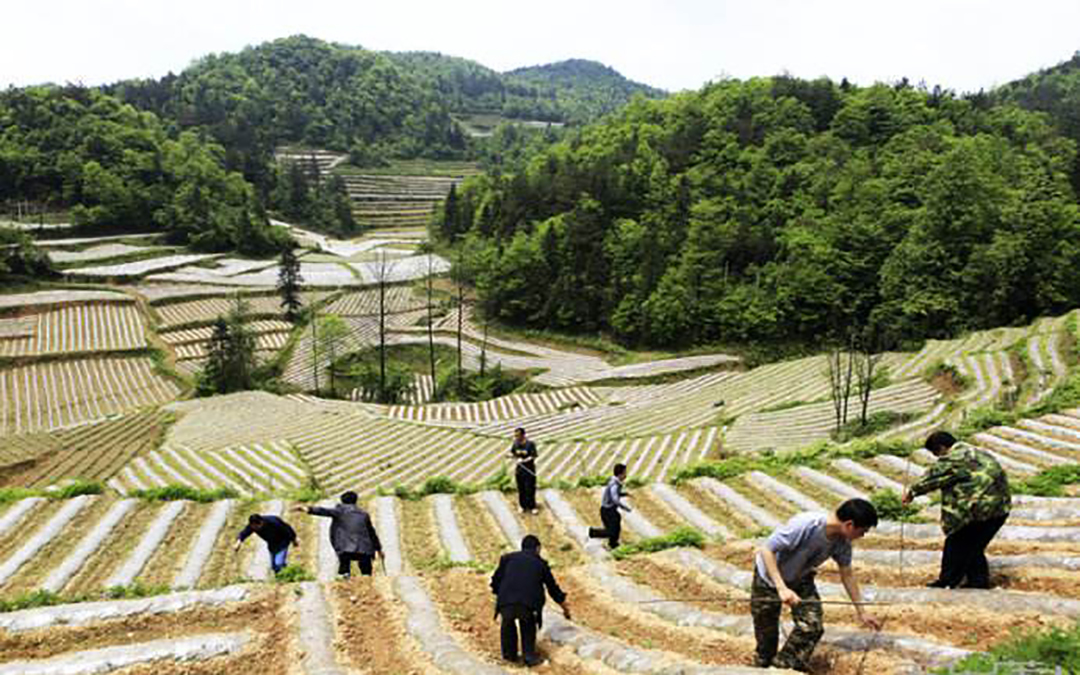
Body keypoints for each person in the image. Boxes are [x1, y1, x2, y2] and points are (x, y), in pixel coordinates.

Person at [751, 498, 882, 672]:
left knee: (812, 627)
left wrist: (862, 611)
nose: (862, 536)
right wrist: (781, 588)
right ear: (849, 525)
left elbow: (847, 573)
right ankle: (761, 666)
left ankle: (782, 668)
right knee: (766, 638)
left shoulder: (842, 542)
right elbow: (767, 550)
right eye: (862, 531)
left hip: (801, 579)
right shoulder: (806, 524)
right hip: (768, 578)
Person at [902, 430, 1011, 589]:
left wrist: (911, 493)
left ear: (941, 447)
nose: (937, 458)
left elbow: (932, 479)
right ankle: (977, 582)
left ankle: (947, 581)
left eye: (936, 453)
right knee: (973, 546)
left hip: (977, 509)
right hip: (1000, 509)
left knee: (955, 542)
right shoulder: (978, 452)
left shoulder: (952, 459)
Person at [490, 535, 570, 667]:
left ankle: (509, 656)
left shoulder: (507, 559)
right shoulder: (541, 564)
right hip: (528, 603)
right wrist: (565, 609)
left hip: (506, 601)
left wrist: (501, 595)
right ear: (538, 548)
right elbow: (553, 589)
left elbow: (495, 581)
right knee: (528, 625)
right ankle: (529, 656)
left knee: (507, 623)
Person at [294, 491, 383, 578]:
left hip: (345, 547)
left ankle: (344, 577)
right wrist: (378, 549)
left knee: (344, 564)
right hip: (365, 548)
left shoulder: (340, 511)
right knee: (366, 569)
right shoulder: (364, 514)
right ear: (356, 501)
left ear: (342, 501)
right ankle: (367, 578)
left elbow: (324, 511)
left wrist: (307, 509)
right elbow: (372, 533)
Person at [587, 463, 631, 549]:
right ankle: (591, 532)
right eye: (625, 473)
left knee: (617, 523)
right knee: (611, 531)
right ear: (620, 474)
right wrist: (625, 507)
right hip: (607, 511)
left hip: (610, 510)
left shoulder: (616, 483)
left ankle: (613, 544)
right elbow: (614, 498)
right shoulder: (614, 484)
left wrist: (624, 494)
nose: (626, 475)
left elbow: (615, 494)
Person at [509, 427, 538, 514]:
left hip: (529, 470)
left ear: (523, 435)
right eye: (515, 436)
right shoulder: (515, 444)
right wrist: (510, 456)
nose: (516, 437)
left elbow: (533, 456)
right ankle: (522, 506)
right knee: (521, 488)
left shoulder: (530, 444)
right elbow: (513, 452)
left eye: (517, 435)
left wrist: (524, 461)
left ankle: (532, 506)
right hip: (519, 470)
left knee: (530, 488)